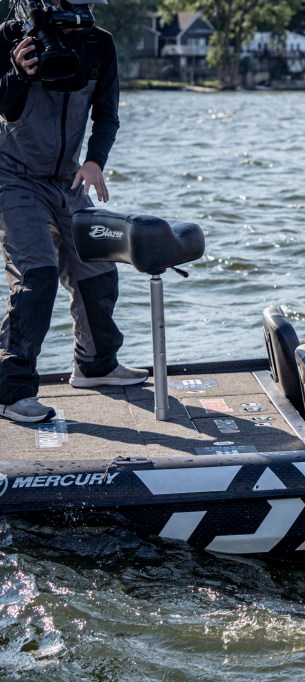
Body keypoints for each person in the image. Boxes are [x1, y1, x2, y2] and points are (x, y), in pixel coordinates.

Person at [0, 0, 146, 424]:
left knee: (98, 266)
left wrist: (95, 160)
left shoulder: (101, 45)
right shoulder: (12, 38)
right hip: (12, 176)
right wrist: (17, 73)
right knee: (37, 275)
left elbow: (107, 115)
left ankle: (95, 365)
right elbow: (5, 107)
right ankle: (10, 392)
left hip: (68, 178)